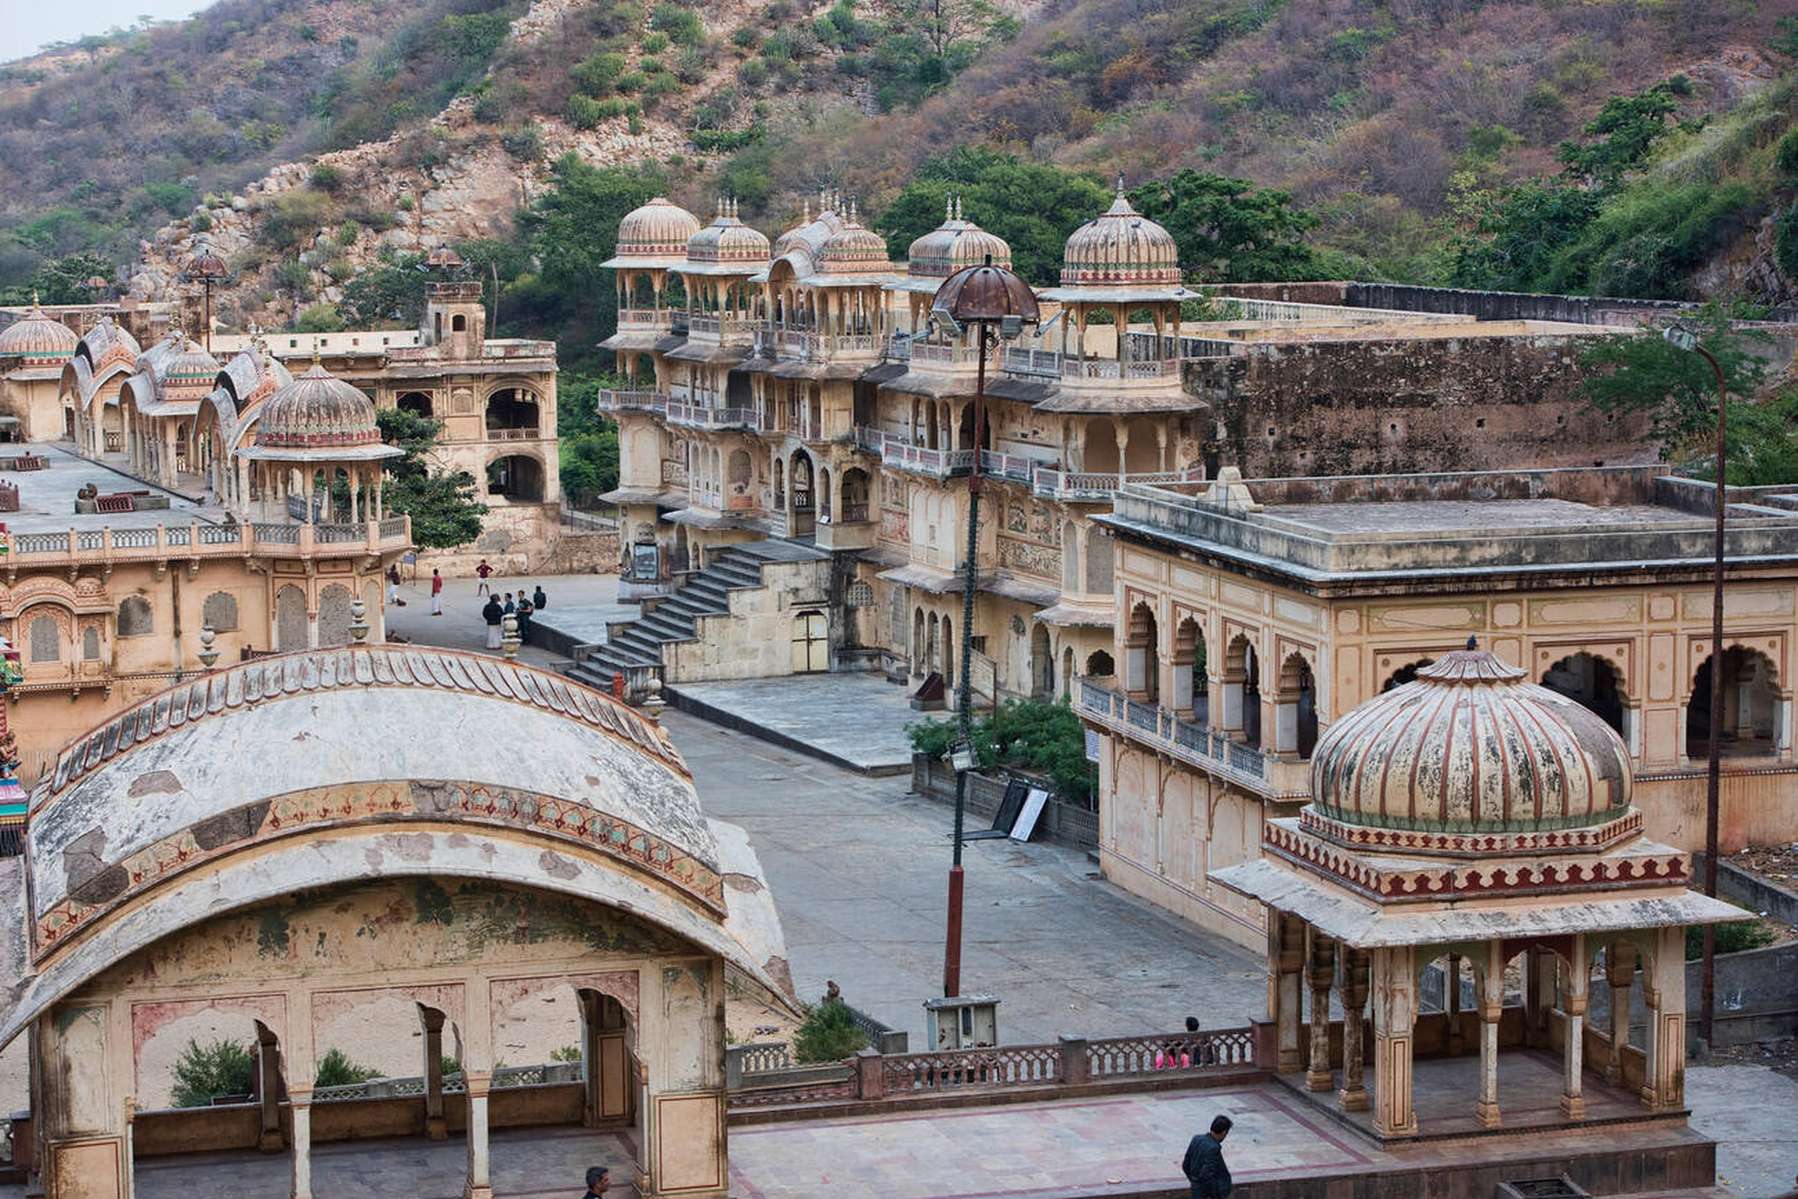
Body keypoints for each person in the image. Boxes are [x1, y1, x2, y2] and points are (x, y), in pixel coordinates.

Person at [1182, 1114, 1233, 1199]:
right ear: (1224, 1132)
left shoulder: (1196, 1139)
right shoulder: (1213, 1148)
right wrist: (1215, 1194)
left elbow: (1186, 1165)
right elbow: (1207, 1174)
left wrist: (1194, 1182)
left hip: (1195, 1190)